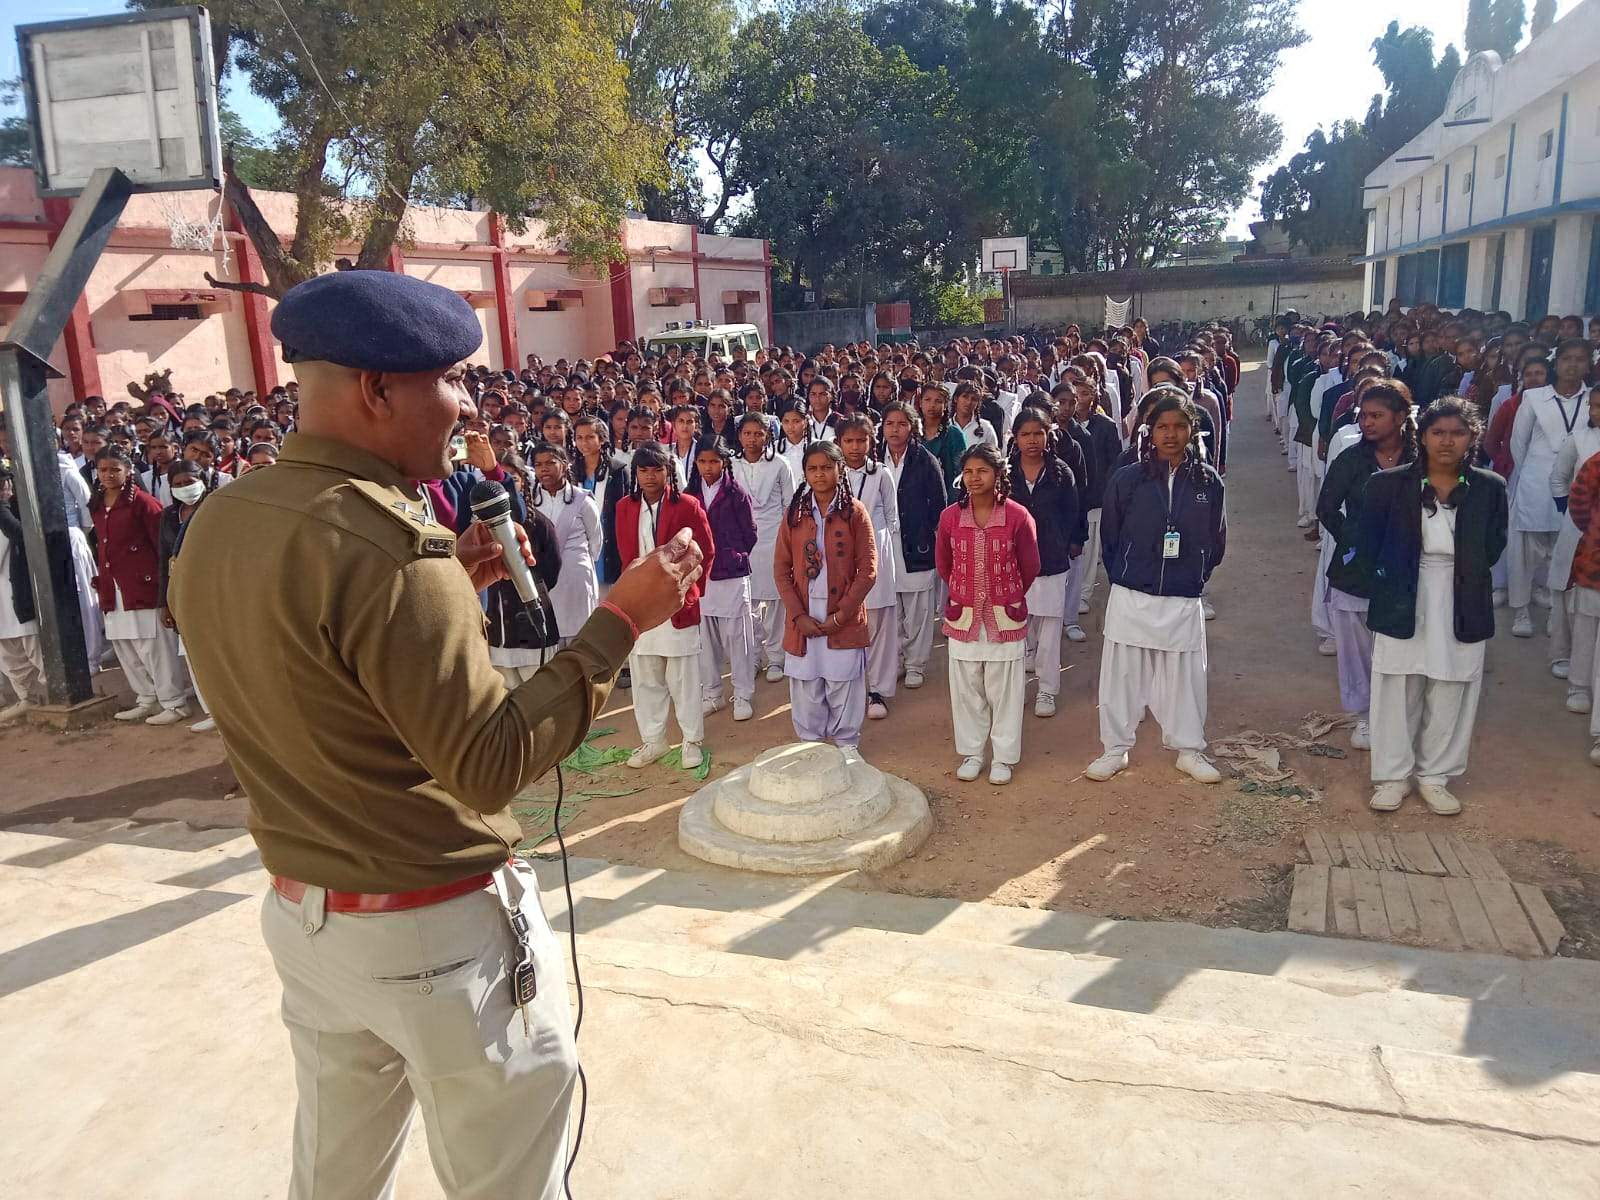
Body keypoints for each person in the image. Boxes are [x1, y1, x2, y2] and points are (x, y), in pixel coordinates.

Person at [169, 269, 703, 1200]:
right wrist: (619, 618)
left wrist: (444, 586)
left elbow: (314, 666)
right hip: (433, 936)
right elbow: (488, 765)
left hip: (310, 916)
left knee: (333, 1178)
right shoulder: (390, 552)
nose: (465, 407)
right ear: (378, 389)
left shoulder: (225, 518)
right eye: (451, 380)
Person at [1358, 398, 1508, 815]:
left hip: (1463, 595)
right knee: (1397, 685)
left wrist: (1460, 570)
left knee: (1452, 684)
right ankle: (1391, 775)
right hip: (1403, 592)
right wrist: (1396, 579)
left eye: (1457, 433)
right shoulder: (1388, 485)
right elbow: (1368, 546)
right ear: (1421, 437)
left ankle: (1435, 775)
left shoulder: (1490, 488)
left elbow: (1493, 546)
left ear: (1472, 438)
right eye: (1438, 432)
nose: (1447, 441)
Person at [1087, 388, 1225, 784]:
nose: (1170, 434)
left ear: (1192, 430)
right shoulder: (1127, 479)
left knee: (1185, 677)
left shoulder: (1207, 481)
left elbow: (1216, 540)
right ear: (1149, 432)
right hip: (1132, 594)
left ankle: (1189, 749)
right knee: (1122, 676)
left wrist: (1194, 575)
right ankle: (1115, 748)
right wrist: (1127, 576)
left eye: (1180, 426)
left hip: (1182, 596)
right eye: (1162, 427)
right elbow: (1110, 538)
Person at [1316, 380, 1417, 752]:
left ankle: (1399, 713)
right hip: (1356, 567)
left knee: (1399, 641)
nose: (1367, 423)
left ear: (1401, 417)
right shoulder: (1352, 459)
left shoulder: (1419, 458)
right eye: (1363, 416)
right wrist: (1354, 540)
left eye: (1377, 415)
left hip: (1406, 562)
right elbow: (1326, 508)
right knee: (1356, 644)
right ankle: (1364, 715)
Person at [937, 444, 1040, 784]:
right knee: (966, 688)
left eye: (982, 471)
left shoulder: (1017, 516)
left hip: (1004, 616)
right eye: (968, 471)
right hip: (963, 615)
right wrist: (967, 590)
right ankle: (972, 753)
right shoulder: (950, 517)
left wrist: (1005, 593)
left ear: (998, 474)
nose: (974, 478)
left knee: (1005, 690)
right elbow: (944, 565)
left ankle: (1004, 758)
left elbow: (1030, 566)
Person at [615, 441, 715, 768]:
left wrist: (690, 590)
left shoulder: (687, 505)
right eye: (643, 470)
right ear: (635, 473)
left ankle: (691, 741)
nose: (650, 476)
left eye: (656, 469)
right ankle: (653, 741)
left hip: (678, 605)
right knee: (645, 677)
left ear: (667, 471)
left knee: (684, 678)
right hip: (641, 606)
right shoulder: (624, 508)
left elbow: (707, 551)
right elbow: (624, 556)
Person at [773, 441, 877, 747]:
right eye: (812, 469)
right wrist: (798, 615)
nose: (819, 475)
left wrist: (842, 615)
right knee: (806, 685)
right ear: (804, 473)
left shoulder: (855, 512)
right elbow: (781, 570)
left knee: (843, 682)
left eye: (827, 468)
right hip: (804, 615)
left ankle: (847, 746)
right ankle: (811, 745)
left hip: (841, 617)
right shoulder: (794, 513)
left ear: (840, 470)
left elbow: (868, 570)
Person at [92, 446, 191, 724]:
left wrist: (164, 590)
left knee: (154, 647)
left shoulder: (144, 503)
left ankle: (173, 701)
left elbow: (161, 548)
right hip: (113, 586)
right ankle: (146, 697)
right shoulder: (98, 504)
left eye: (115, 469)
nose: (109, 475)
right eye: (103, 469)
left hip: (142, 585)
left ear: (128, 470)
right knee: (126, 646)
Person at [1507, 338, 1590, 640]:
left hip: (1578, 486)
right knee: (1524, 550)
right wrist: (1534, 471)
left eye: (1580, 359)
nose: (1572, 365)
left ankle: (1554, 607)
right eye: (1567, 358)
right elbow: (1519, 443)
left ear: (1589, 363)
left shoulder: (1593, 398)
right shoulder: (1534, 397)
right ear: (1557, 362)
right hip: (1535, 482)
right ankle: (1521, 609)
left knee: (1565, 548)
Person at [1009, 409, 1079, 718]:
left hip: (1051, 559)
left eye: (1039, 433)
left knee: (1050, 629)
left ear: (1048, 435)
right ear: (1015, 437)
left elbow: (1073, 513)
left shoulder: (1061, 472)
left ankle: (1047, 689)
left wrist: (1070, 542)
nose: (1033, 440)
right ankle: (1017, 686)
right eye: (1026, 434)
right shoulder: (1005, 473)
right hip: (1013, 563)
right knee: (1017, 628)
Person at [687, 438, 759, 721]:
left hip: (731, 573)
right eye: (703, 461)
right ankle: (713, 693)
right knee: (706, 639)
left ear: (724, 462)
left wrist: (733, 554)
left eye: (714, 461)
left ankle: (742, 694)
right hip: (701, 575)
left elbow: (750, 533)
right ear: (695, 463)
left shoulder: (737, 494)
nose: (708, 467)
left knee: (738, 638)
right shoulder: (690, 494)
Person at [879, 399, 946, 691]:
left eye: (902, 424)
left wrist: (927, 534)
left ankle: (916, 664)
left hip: (916, 544)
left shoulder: (925, 460)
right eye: (890, 424)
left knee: (918, 609)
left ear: (912, 428)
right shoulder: (873, 460)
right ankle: (892, 662)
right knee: (890, 610)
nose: (895, 430)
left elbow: (940, 505)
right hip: (883, 546)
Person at [837, 414, 900, 719]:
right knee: (846, 621)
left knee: (879, 624)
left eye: (861, 440)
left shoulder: (881, 474)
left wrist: (880, 550)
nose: (855, 447)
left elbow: (892, 517)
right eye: (848, 440)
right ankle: (849, 686)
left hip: (877, 555)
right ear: (839, 443)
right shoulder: (830, 473)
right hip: (839, 557)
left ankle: (878, 690)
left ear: (871, 441)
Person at [1548, 384, 1600, 714]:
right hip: (1581, 531)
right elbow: (1559, 479)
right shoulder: (1579, 440)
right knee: (1569, 601)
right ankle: (1565, 661)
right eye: (1595, 405)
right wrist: (1579, 520)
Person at [531, 443, 602, 647]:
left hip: (577, 580)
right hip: (545, 585)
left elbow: (595, 541)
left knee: (580, 643)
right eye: (538, 464)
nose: (544, 468)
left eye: (550, 463)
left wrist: (577, 564)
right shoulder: (531, 502)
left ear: (564, 465)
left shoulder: (583, 500)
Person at [1565, 447, 1600, 766]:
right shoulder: (1597, 463)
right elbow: (1578, 504)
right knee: (1586, 632)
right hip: (1595, 566)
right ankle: (1578, 687)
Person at [0, 467, 43, 721]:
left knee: (34, 647)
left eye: (5, 484)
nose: (5, 488)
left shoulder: (14, 512)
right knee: (9, 654)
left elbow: (22, 536)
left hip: (16, 593)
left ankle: (50, 693)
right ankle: (27, 698)